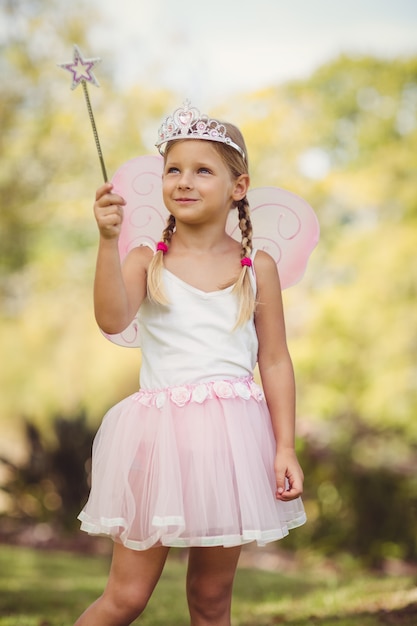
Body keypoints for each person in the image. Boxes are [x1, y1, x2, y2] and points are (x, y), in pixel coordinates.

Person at [74, 102, 306, 626]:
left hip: (231, 452)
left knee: (210, 600)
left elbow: (274, 360)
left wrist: (284, 445)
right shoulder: (145, 260)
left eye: (203, 170)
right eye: (173, 169)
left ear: (237, 187)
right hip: (156, 447)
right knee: (126, 598)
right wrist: (108, 242)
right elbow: (112, 320)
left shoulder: (256, 268)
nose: (184, 181)